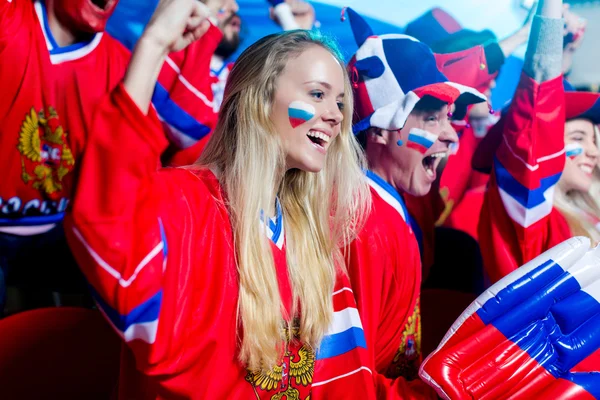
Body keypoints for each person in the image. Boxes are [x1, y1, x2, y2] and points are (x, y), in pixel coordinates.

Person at [63, 0, 401, 396]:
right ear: (257, 100)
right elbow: (109, 232)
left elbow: (341, 383)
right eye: (317, 94)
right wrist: (153, 44)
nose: (336, 116)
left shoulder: (306, 233)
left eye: (340, 103)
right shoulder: (186, 203)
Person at [0, 0, 221, 313]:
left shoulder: (121, 64)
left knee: (155, 282)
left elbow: (131, 187)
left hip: (60, 232)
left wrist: (158, 47)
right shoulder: (10, 20)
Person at [341, 7, 486, 396]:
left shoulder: (388, 204)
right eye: (430, 119)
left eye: (448, 119)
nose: (452, 137)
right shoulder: (360, 226)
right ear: (381, 129)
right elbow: (345, 380)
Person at [472, 0, 600, 283]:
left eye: (594, 140)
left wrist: (565, 50)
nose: (593, 151)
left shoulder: (583, 213)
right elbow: (536, 112)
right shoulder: (530, 217)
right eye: (579, 138)